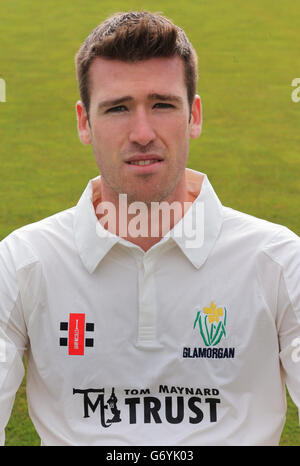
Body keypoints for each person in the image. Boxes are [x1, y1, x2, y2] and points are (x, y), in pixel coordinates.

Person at [0, 10, 299, 447]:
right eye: (118, 108)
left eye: (162, 104)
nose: (142, 133)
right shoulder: (24, 262)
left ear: (193, 115)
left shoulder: (279, 260)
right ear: (85, 122)